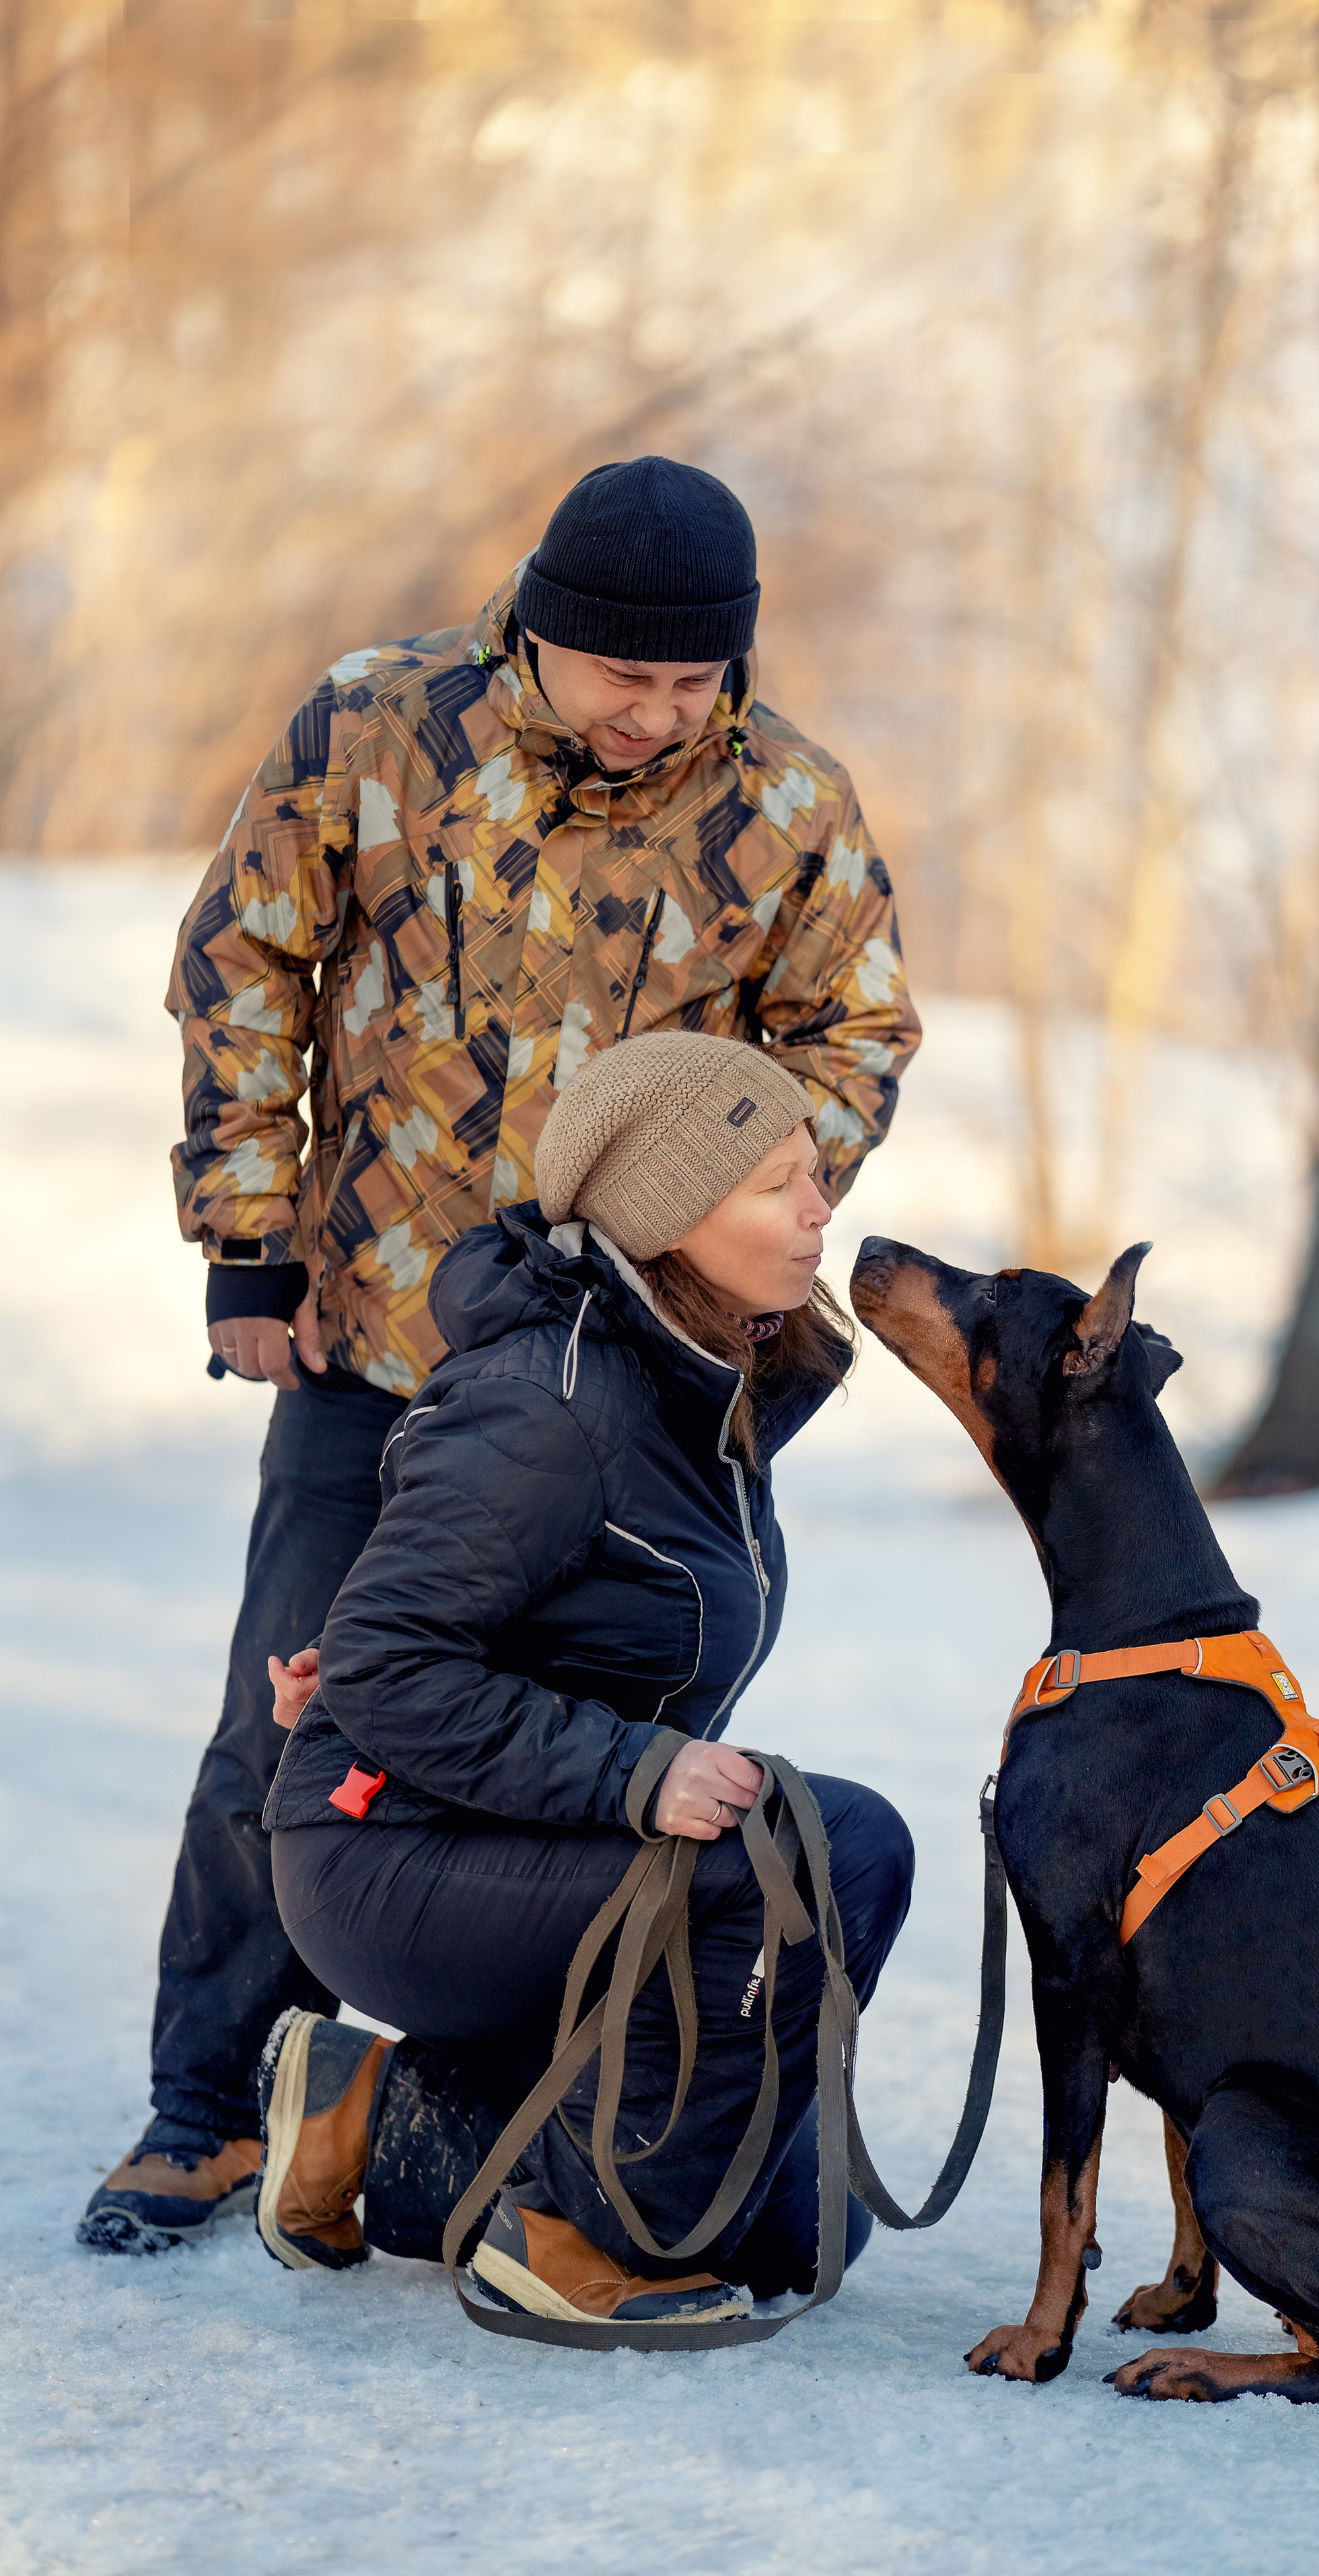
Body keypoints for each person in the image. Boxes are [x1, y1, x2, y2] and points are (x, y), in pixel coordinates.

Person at [81, 457, 920, 2254]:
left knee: (616, 1746)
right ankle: (208, 2109)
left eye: (696, 684)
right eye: (630, 678)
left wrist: (740, 1205)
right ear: (539, 631)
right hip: (377, 1329)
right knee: (299, 1708)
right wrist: (248, 1238)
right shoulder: (381, 728)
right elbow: (245, 961)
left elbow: (855, 1037)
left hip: (641, 1383)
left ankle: (509, 2116)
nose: (660, 716)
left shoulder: (785, 803)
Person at [254, 1033, 914, 2322]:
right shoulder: (553, 1406)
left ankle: (366, 2106)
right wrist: (637, 1770)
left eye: (815, 1174)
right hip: (391, 1851)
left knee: (798, 2225)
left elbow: (508, 1622)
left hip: (529, 1834)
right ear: (670, 1215)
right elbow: (392, 1661)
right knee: (839, 1847)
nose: (822, 1207)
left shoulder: (696, 1382)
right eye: (778, 1181)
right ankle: (562, 2240)